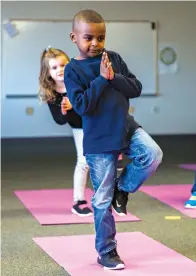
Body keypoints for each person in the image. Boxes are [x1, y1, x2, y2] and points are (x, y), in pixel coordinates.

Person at [64, 10, 163, 270]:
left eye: (101, 37)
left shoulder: (114, 59)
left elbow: (136, 88)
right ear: (74, 37)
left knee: (153, 155)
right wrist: (101, 79)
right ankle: (106, 251)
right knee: (101, 199)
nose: (95, 43)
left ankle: (123, 188)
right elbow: (82, 105)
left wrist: (113, 76)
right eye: (88, 38)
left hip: (126, 127)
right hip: (99, 140)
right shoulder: (72, 69)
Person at [38, 47, 93, 217]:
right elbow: (60, 121)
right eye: (54, 68)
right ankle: (78, 201)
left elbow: (93, 102)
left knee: (106, 160)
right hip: (79, 128)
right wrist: (65, 110)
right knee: (84, 162)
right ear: (48, 72)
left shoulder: (80, 81)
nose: (60, 70)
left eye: (63, 65)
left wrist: (77, 104)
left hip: (96, 121)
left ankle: (109, 196)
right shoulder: (52, 92)